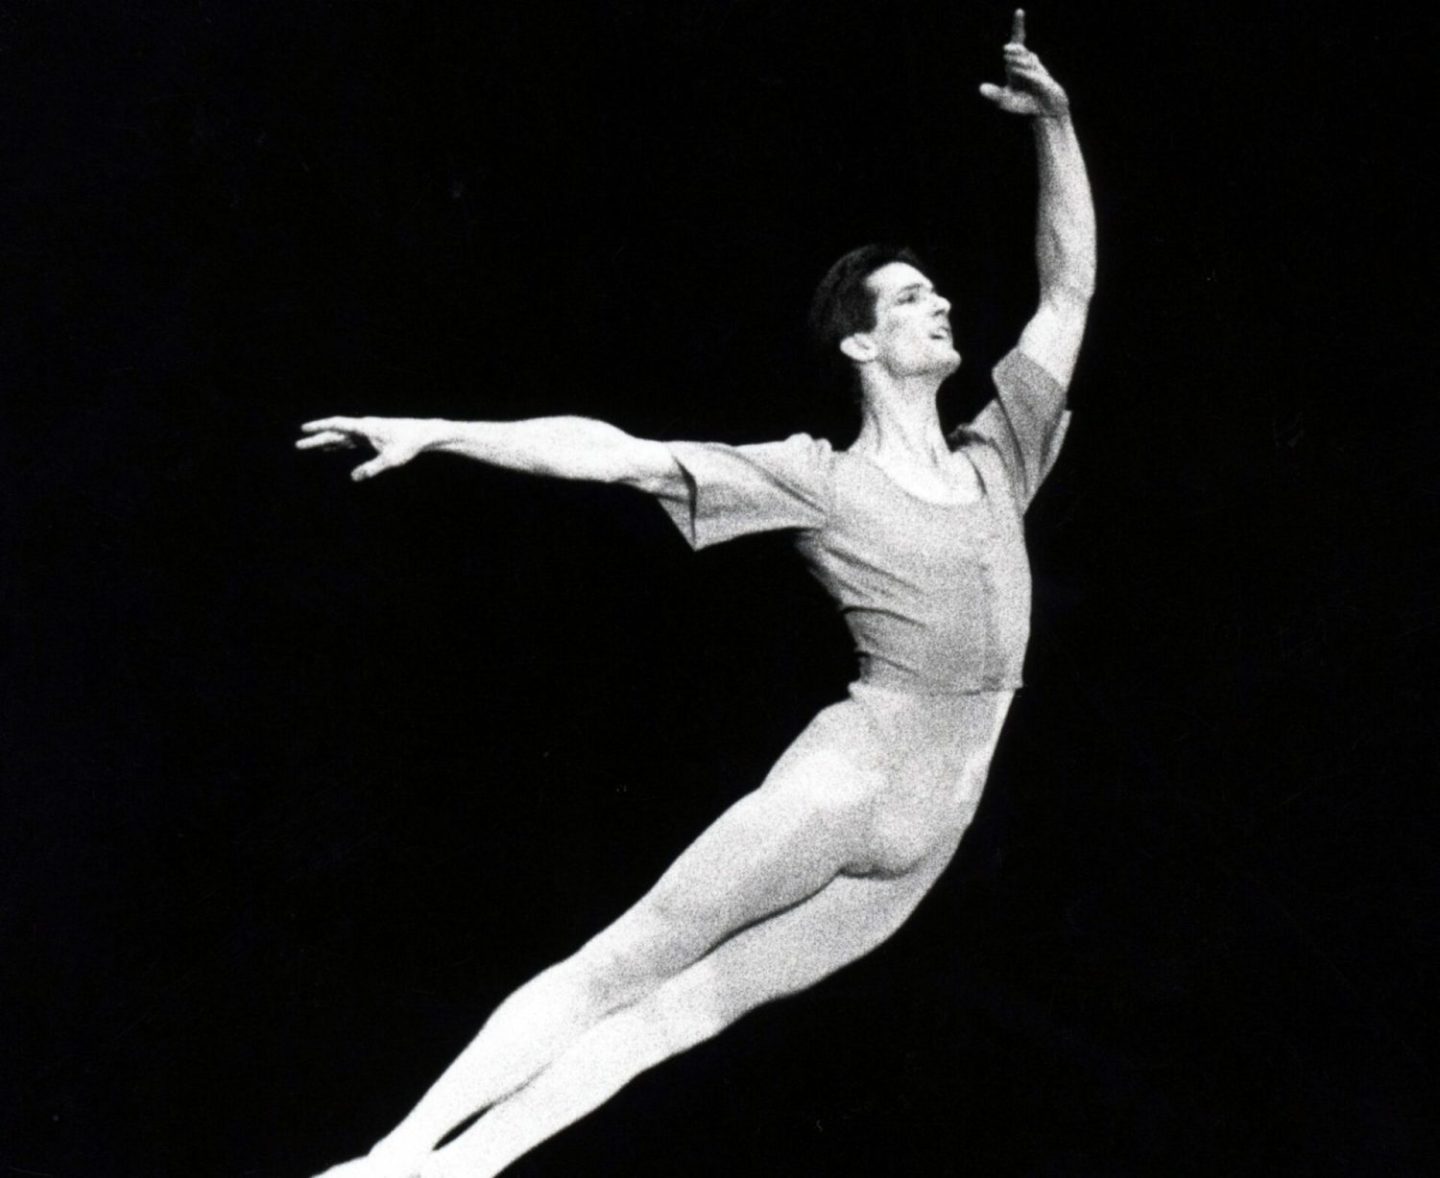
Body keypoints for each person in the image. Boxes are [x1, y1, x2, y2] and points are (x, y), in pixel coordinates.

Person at [297, 12, 1094, 1177]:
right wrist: (439, 430)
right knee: (632, 958)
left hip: (936, 829)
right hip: (853, 779)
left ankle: (452, 1172)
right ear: (861, 346)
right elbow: (618, 453)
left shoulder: (999, 455)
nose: (940, 305)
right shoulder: (817, 477)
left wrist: (1055, 126)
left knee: (685, 1014)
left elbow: (1066, 292)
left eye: (937, 292)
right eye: (910, 298)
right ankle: (387, 1156)